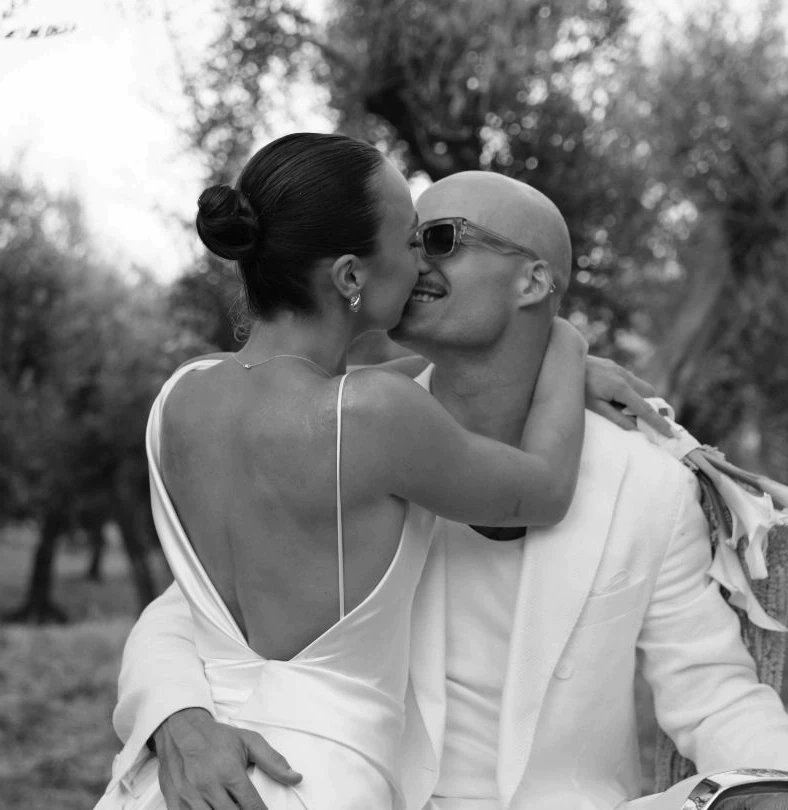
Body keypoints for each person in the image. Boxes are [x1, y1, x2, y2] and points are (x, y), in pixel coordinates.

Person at [109, 171, 788, 810]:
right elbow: (191, 611)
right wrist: (176, 717)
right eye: (408, 239)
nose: (414, 262)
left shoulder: (645, 484)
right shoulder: (361, 438)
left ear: (534, 279)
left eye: (438, 238)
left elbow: (712, 692)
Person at [94, 134, 597, 810]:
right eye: (411, 241)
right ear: (351, 277)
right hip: (310, 781)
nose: (421, 261)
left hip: (178, 782)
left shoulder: (183, 396)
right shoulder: (376, 415)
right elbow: (545, 489)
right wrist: (564, 344)